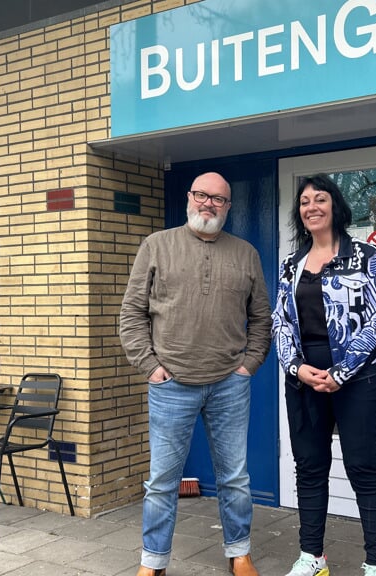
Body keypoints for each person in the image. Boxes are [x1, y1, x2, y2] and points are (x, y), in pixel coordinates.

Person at [119, 171, 272, 576]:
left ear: (228, 207)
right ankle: (153, 563)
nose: (208, 204)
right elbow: (131, 313)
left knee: (235, 477)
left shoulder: (246, 254)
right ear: (189, 197)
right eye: (202, 195)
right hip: (171, 384)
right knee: (162, 481)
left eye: (218, 199)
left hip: (229, 384)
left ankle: (239, 553)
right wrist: (151, 367)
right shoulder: (156, 246)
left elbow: (261, 319)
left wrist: (247, 366)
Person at [272, 174, 376, 576]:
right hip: (304, 381)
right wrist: (296, 367)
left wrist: (340, 372)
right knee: (309, 467)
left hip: (358, 381)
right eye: (304, 202)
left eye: (319, 199)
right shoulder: (291, 265)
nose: (311, 207)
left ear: (335, 207)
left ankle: (375, 564)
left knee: (364, 468)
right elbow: (280, 323)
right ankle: (313, 557)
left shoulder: (365, 256)